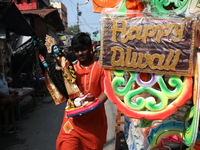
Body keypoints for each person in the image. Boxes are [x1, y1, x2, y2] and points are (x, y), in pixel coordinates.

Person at [56, 32, 108, 150]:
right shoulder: (70, 69)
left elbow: (106, 91)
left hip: (93, 120)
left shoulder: (100, 68)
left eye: (83, 49)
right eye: (77, 50)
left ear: (90, 48)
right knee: (67, 146)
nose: (80, 53)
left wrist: (91, 106)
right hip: (73, 121)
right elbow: (65, 93)